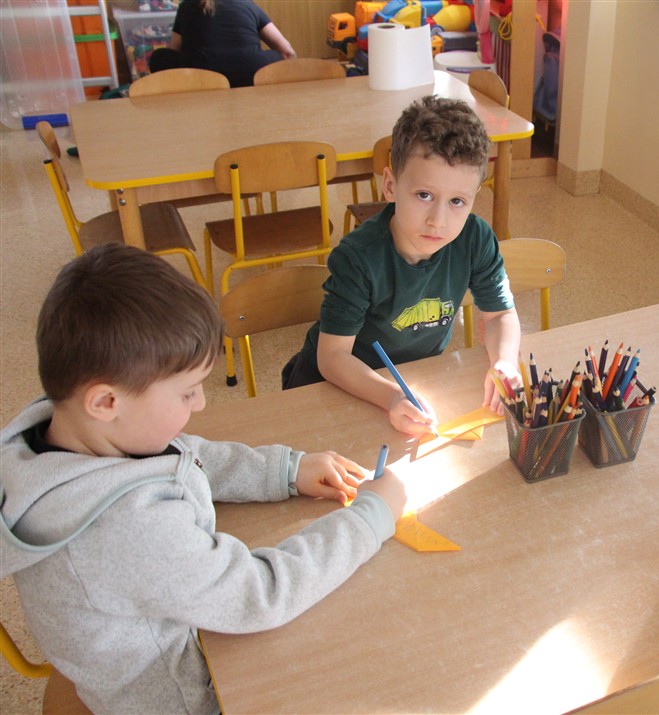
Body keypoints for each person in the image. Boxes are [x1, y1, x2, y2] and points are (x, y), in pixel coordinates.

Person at [0, 244, 406, 714]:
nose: (201, 405)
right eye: (188, 392)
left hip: (171, 633)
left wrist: (285, 470)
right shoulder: (129, 531)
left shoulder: (65, 424)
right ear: (106, 402)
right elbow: (258, 594)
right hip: (187, 698)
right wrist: (369, 519)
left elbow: (181, 454)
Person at [282, 96, 522, 437]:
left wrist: (504, 361)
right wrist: (392, 396)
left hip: (410, 385)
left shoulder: (476, 239)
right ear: (391, 185)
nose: (438, 220)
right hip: (336, 387)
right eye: (424, 195)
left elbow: (500, 316)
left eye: (457, 201)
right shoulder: (358, 257)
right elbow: (332, 357)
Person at [149, 0, 296, 87]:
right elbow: (286, 51)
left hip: (201, 76)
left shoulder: (187, 5)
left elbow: (174, 48)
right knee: (277, 56)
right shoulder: (248, 4)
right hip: (250, 73)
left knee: (159, 57)